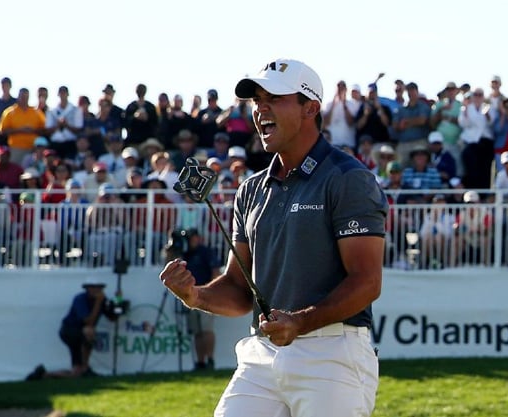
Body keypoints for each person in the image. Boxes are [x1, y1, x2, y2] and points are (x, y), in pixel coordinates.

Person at [160, 58, 386, 417]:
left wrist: (300, 322)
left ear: (310, 108)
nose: (260, 108)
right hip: (262, 355)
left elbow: (367, 281)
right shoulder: (250, 190)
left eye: (274, 98)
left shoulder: (348, 178)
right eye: (256, 100)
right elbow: (237, 290)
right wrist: (195, 295)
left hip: (332, 355)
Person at [26, 277, 117, 380]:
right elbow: (88, 321)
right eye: (93, 287)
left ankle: (44, 375)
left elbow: (112, 318)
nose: (96, 290)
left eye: (99, 288)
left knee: (76, 372)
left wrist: (117, 305)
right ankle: (85, 368)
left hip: (80, 334)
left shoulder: (102, 300)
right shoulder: (80, 299)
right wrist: (98, 303)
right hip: (70, 331)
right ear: (87, 289)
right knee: (89, 330)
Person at [177, 228, 221, 370]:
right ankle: (200, 362)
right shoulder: (185, 254)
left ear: (197, 238)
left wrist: (212, 292)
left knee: (207, 329)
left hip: (206, 295)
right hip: (190, 296)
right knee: (197, 331)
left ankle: (210, 360)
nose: (190, 241)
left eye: (192, 237)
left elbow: (216, 272)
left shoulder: (205, 252)